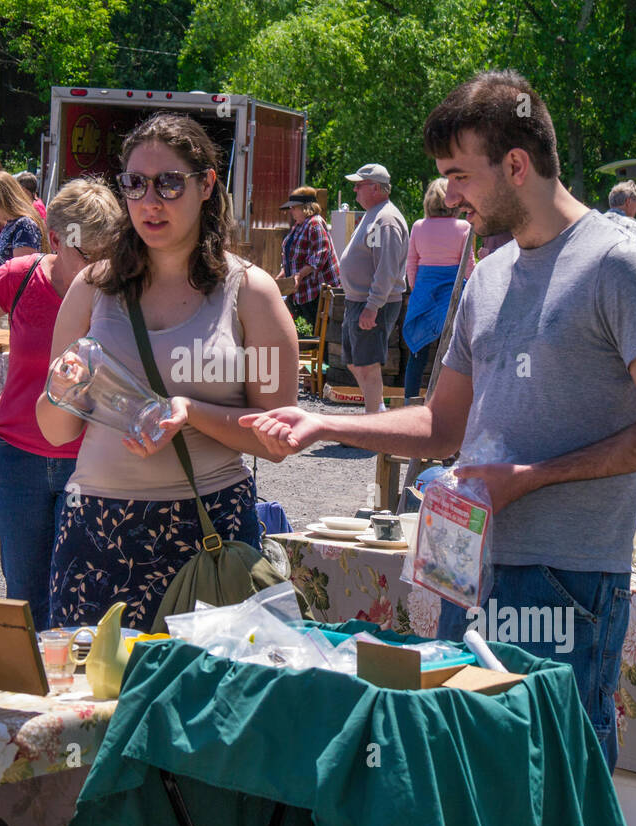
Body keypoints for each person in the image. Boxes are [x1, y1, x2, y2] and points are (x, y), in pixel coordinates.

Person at [242, 70, 636, 771]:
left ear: (516, 165)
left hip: (567, 581)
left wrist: (527, 479)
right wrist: (322, 425)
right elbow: (442, 427)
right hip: (470, 573)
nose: (450, 194)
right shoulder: (490, 273)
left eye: (459, 175)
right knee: (473, 787)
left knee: (554, 793)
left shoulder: (617, 264)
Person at [37, 112, 298, 631]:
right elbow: (54, 429)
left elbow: (279, 437)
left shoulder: (251, 293)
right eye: (135, 184)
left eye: (169, 183)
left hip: (206, 533)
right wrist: (66, 386)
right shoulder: (92, 288)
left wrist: (192, 413)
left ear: (206, 185)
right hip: (96, 531)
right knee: (92, 705)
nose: (150, 201)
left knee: (202, 705)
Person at [0, 178, 123, 627]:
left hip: (91, 464)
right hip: (18, 463)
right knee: (24, 599)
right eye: (89, 254)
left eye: (110, 252)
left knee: (83, 600)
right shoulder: (20, 276)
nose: (101, 265)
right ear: (54, 239)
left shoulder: (122, 291)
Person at [338, 163, 409, 413]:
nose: (355, 190)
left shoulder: (385, 219)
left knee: (367, 364)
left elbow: (386, 268)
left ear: (376, 188)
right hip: (360, 301)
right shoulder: (376, 214)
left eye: (359, 185)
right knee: (355, 362)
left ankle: (373, 423)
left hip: (372, 303)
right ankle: (377, 412)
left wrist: (372, 306)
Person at [402, 176, 475, 401]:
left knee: (417, 353)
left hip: (423, 292)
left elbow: (411, 264)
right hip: (452, 295)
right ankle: (448, 402)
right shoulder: (464, 227)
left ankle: (409, 402)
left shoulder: (418, 226)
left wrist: (417, 290)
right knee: (453, 353)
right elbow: (469, 266)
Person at [276, 185, 340, 330]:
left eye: (294, 207)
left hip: (316, 291)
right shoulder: (299, 225)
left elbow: (320, 254)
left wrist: (299, 274)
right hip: (301, 291)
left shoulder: (315, 223)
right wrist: (282, 275)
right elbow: (290, 257)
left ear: (305, 207)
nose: (290, 211)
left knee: (317, 334)